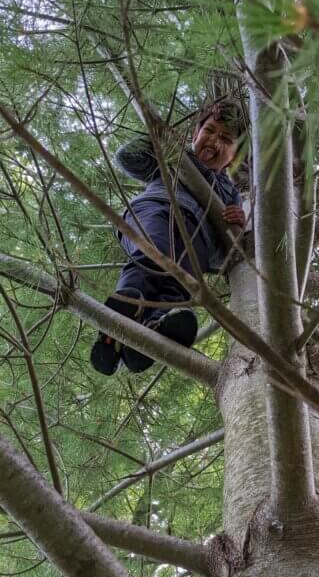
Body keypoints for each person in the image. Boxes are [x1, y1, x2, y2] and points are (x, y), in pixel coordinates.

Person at [90, 98, 247, 375]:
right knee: (153, 255)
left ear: (233, 156)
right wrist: (161, 141)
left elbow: (223, 256)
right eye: (209, 131)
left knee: (182, 284)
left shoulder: (229, 192)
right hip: (157, 209)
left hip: (198, 237)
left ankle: (153, 328)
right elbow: (127, 157)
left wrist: (236, 223)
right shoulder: (176, 155)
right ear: (195, 135)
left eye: (225, 139)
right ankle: (129, 301)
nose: (214, 141)